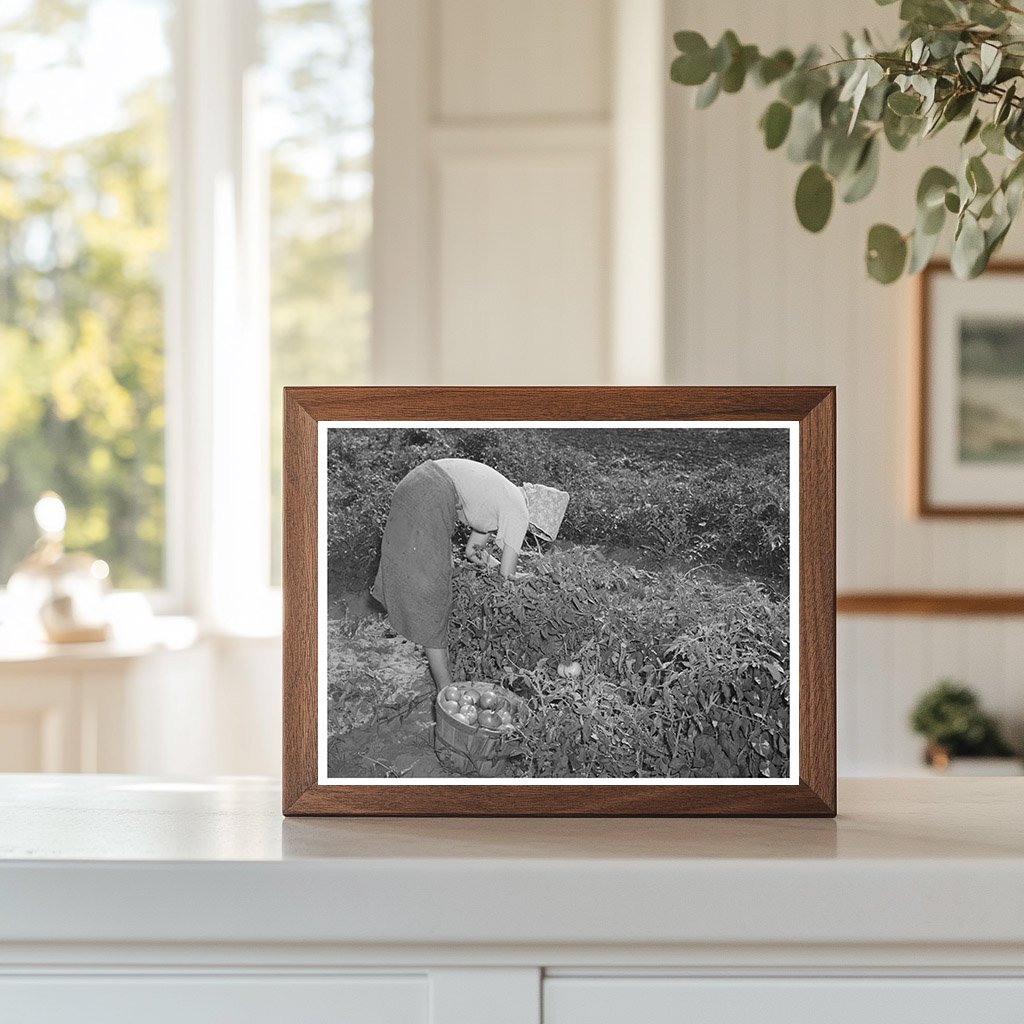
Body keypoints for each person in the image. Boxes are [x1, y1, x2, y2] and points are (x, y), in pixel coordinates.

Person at [370, 457, 569, 692]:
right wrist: (525, 578)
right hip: (431, 493)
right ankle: (447, 691)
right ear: (537, 516)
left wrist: (500, 566)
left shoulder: (503, 495)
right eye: (534, 529)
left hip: (416, 482)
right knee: (435, 593)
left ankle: (443, 682)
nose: (530, 532)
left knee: (424, 573)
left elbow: (473, 552)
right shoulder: (519, 510)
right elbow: (507, 576)